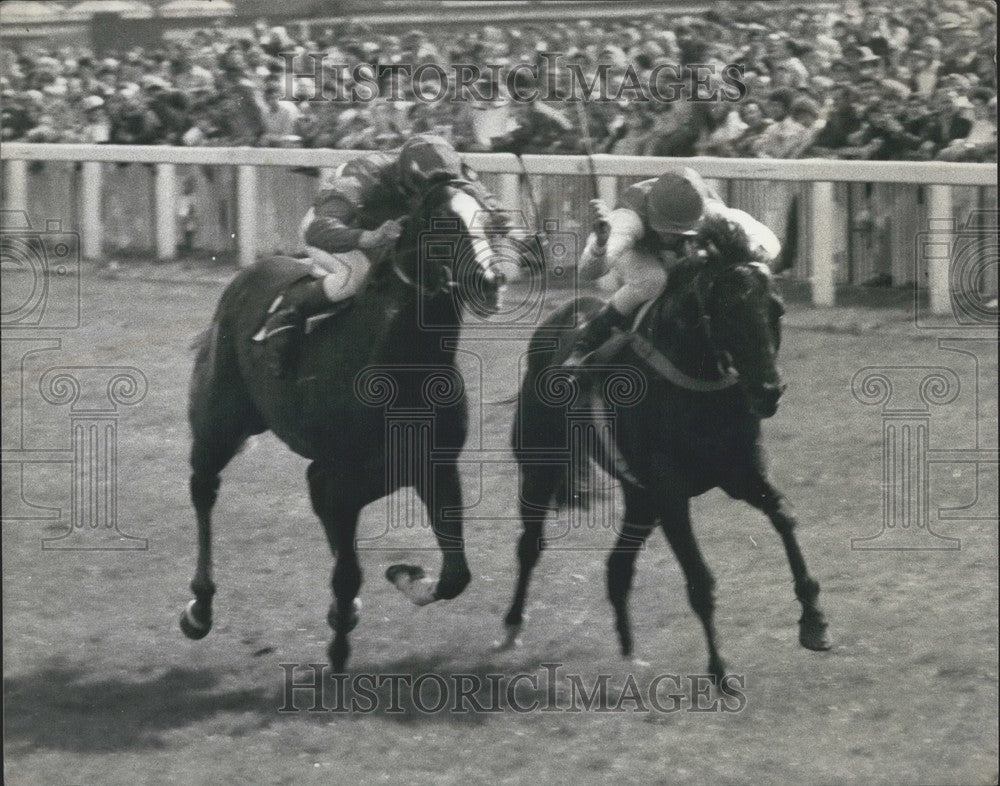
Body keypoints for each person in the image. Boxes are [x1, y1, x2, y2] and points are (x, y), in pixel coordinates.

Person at [253, 134, 492, 376]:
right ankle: (287, 310)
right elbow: (319, 229)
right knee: (356, 274)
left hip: (388, 231)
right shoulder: (360, 177)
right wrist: (369, 238)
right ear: (406, 181)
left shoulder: (447, 169)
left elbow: (485, 202)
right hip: (339, 231)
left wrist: (498, 218)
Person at [564, 168, 781, 366]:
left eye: (680, 232)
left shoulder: (712, 212)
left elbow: (769, 241)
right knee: (653, 280)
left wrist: (735, 253)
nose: (671, 237)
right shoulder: (627, 219)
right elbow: (588, 272)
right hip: (638, 250)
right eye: (665, 229)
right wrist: (601, 245)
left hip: (691, 235)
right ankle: (587, 341)